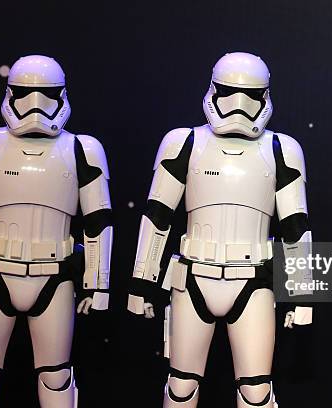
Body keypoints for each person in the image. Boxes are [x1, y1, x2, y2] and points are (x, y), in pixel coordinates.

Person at [127, 52, 313, 408]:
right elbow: (157, 217)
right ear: (213, 90)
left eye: (250, 97)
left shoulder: (281, 149)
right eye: (228, 93)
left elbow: (296, 226)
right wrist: (141, 283)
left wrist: (302, 294)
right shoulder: (184, 142)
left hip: (254, 282)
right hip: (193, 276)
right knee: (180, 388)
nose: (238, 107)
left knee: (255, 392)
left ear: (265, 96)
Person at [0, 55, 113, 407]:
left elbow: (99, 222)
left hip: (54, 276)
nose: (35, 106)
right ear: (9, 93)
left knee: (56, 376)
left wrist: (98, 281)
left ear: (61, 95)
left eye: (46, 95)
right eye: (25, 94)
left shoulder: (82, 149)